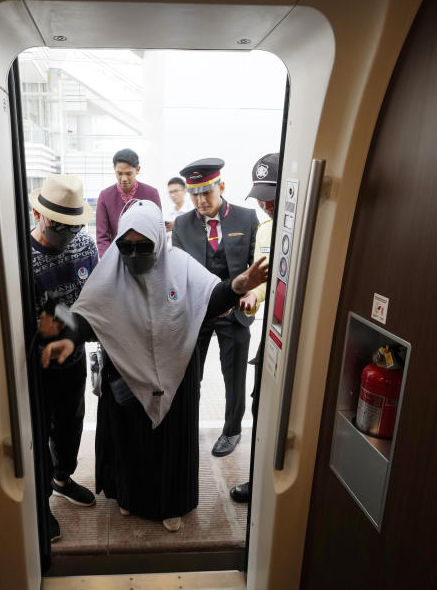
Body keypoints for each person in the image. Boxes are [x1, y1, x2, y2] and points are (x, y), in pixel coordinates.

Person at [40, 201, 268, 531]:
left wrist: (238, 285)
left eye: (143, 246)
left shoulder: (181, 266)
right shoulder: (112, 269)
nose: (133, 255)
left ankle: (170, 504)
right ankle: (130, 498)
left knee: (169, 447)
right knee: (131, 442)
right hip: (127, 373)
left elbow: (210, 299)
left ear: (160, 241)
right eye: (126, 246)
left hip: (175, 373)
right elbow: (89, 317)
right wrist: (69, 339)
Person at [171, 158, 259, 457]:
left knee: (234, 377)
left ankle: (232, 430)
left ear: (221, 186)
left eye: (206, 192)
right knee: (188, 375)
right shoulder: (182, 224)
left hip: (235, 313)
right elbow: (178, 272)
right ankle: (185, 426)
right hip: (197, 312)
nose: (200, 200)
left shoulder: (247, 218)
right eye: (194, 193)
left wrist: (252, 293)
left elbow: (257, 264)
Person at [28, 174, 98, 543]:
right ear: (38, 213)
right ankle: (40, 504)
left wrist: (64, 320)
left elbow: (94, 303)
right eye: (59, 225)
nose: (66, 233)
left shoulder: (86, 247)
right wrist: (52, 322)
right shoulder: (20, 257)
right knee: (38, 436)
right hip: (36, 369)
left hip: (74, 360)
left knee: (71, 428)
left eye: (73, 226)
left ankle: (62, 478)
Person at [231, 152, 279, 504]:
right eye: (260, 195)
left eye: (270, 195)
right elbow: (265, 280)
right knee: (261, 400)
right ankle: (258, 478)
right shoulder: (266, 230)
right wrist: (253, 295)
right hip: (275, 333)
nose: (264, 204)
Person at [94, 148, 162, 258]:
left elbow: (159, 231)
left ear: (138, 170)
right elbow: (102, 237)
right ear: (114, 170)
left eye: (128, 173)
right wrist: (107, 262)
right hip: (115, 257)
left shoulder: (152, 194)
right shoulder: (105, 196)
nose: (124, 178)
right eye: (119, 173)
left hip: (146, 256)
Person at [163, 176, 194, 245]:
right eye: (170, 192)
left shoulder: (193, 212)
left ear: (184, 191)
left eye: (175, 191)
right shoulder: (168, 215)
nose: (173, 195)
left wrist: (177, 226)